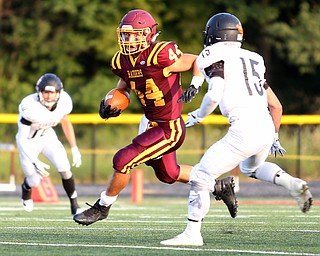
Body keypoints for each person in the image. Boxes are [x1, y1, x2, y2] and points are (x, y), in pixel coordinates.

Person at [160, 12, 313, 246]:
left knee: (201, 175)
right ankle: (291, 183)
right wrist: (274, 136)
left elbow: (214, 94)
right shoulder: (254, 58)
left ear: (213, 34)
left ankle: (192, 234)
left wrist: (198, 116)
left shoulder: (212, 55)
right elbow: (276, 105)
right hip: (264, 125)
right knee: (252, 167)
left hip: (245, 129)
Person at [73, 9, 237, 226]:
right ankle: (218, 186)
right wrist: (110, 103)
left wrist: (196, 83)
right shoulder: (122, 60)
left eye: (133, 35)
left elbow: (196, 60)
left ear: (147, 34)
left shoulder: (159, 53)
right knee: (169, 174)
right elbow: (124, 86)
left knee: (122, 160)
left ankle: (102, 206)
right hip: (150, 123)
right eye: (124, 34)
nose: (127, 39)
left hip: (169, 128)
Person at [16, 73, 83, 216]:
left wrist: (74, 147)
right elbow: (22, 139)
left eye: (52, 93)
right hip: (28, 143)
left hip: (47, 136)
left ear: (59, 93)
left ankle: (75, 205)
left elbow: (65, 122)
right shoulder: (29, 106)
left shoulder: (64, 102)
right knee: (34, 180)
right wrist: (34, 160)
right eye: (46, 92)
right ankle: (26, 187)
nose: (48, 96)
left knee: (65, 168)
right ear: (39, 92)